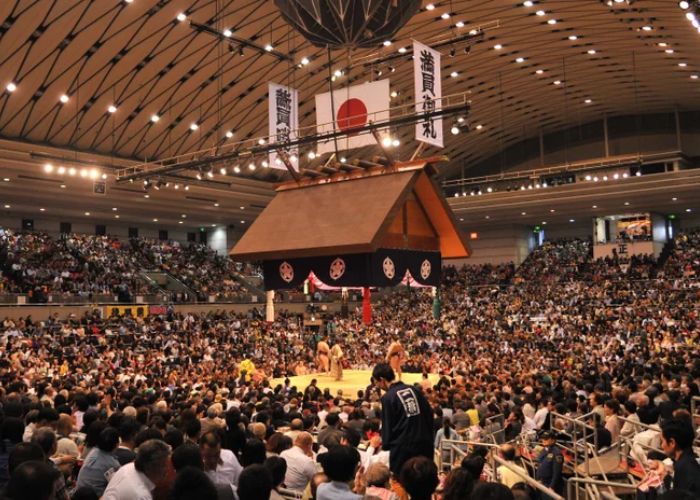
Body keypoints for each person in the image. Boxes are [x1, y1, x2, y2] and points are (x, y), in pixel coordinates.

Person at [372, 363, 433, 475]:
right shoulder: (414, 390)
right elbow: (429, 415)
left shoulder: (387, 398)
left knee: (404, 486)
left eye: (376, 382)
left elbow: (388, 429)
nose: (377, 386)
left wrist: (386, 444)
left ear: (382, 379)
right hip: (425, 445)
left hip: (403, 452)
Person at [102, 439, 171, 500]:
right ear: (150, 467)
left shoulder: (127, 467)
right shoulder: (141, 496)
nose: (167, 469)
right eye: (164, 465)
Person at [76, 427, 121, 496]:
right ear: (117, 444)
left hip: (78, 493)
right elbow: (116, 486)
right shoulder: (113, 464)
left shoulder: (93, 451)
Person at [660, 418, 700, 495]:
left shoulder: (683, 469)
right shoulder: (689, 461)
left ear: (672, 443)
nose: (661, 446)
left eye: (662, 441)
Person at [534, 431, 563, 498]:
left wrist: (552, 486)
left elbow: (557, 472)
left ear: (553, 440)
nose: (544, 440)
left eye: (546, 439)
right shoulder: (544, 450)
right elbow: (540, 465)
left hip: (549, 484)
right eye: (543, 438)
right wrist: (538, 479)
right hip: (541, 482)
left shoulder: (557, 453)